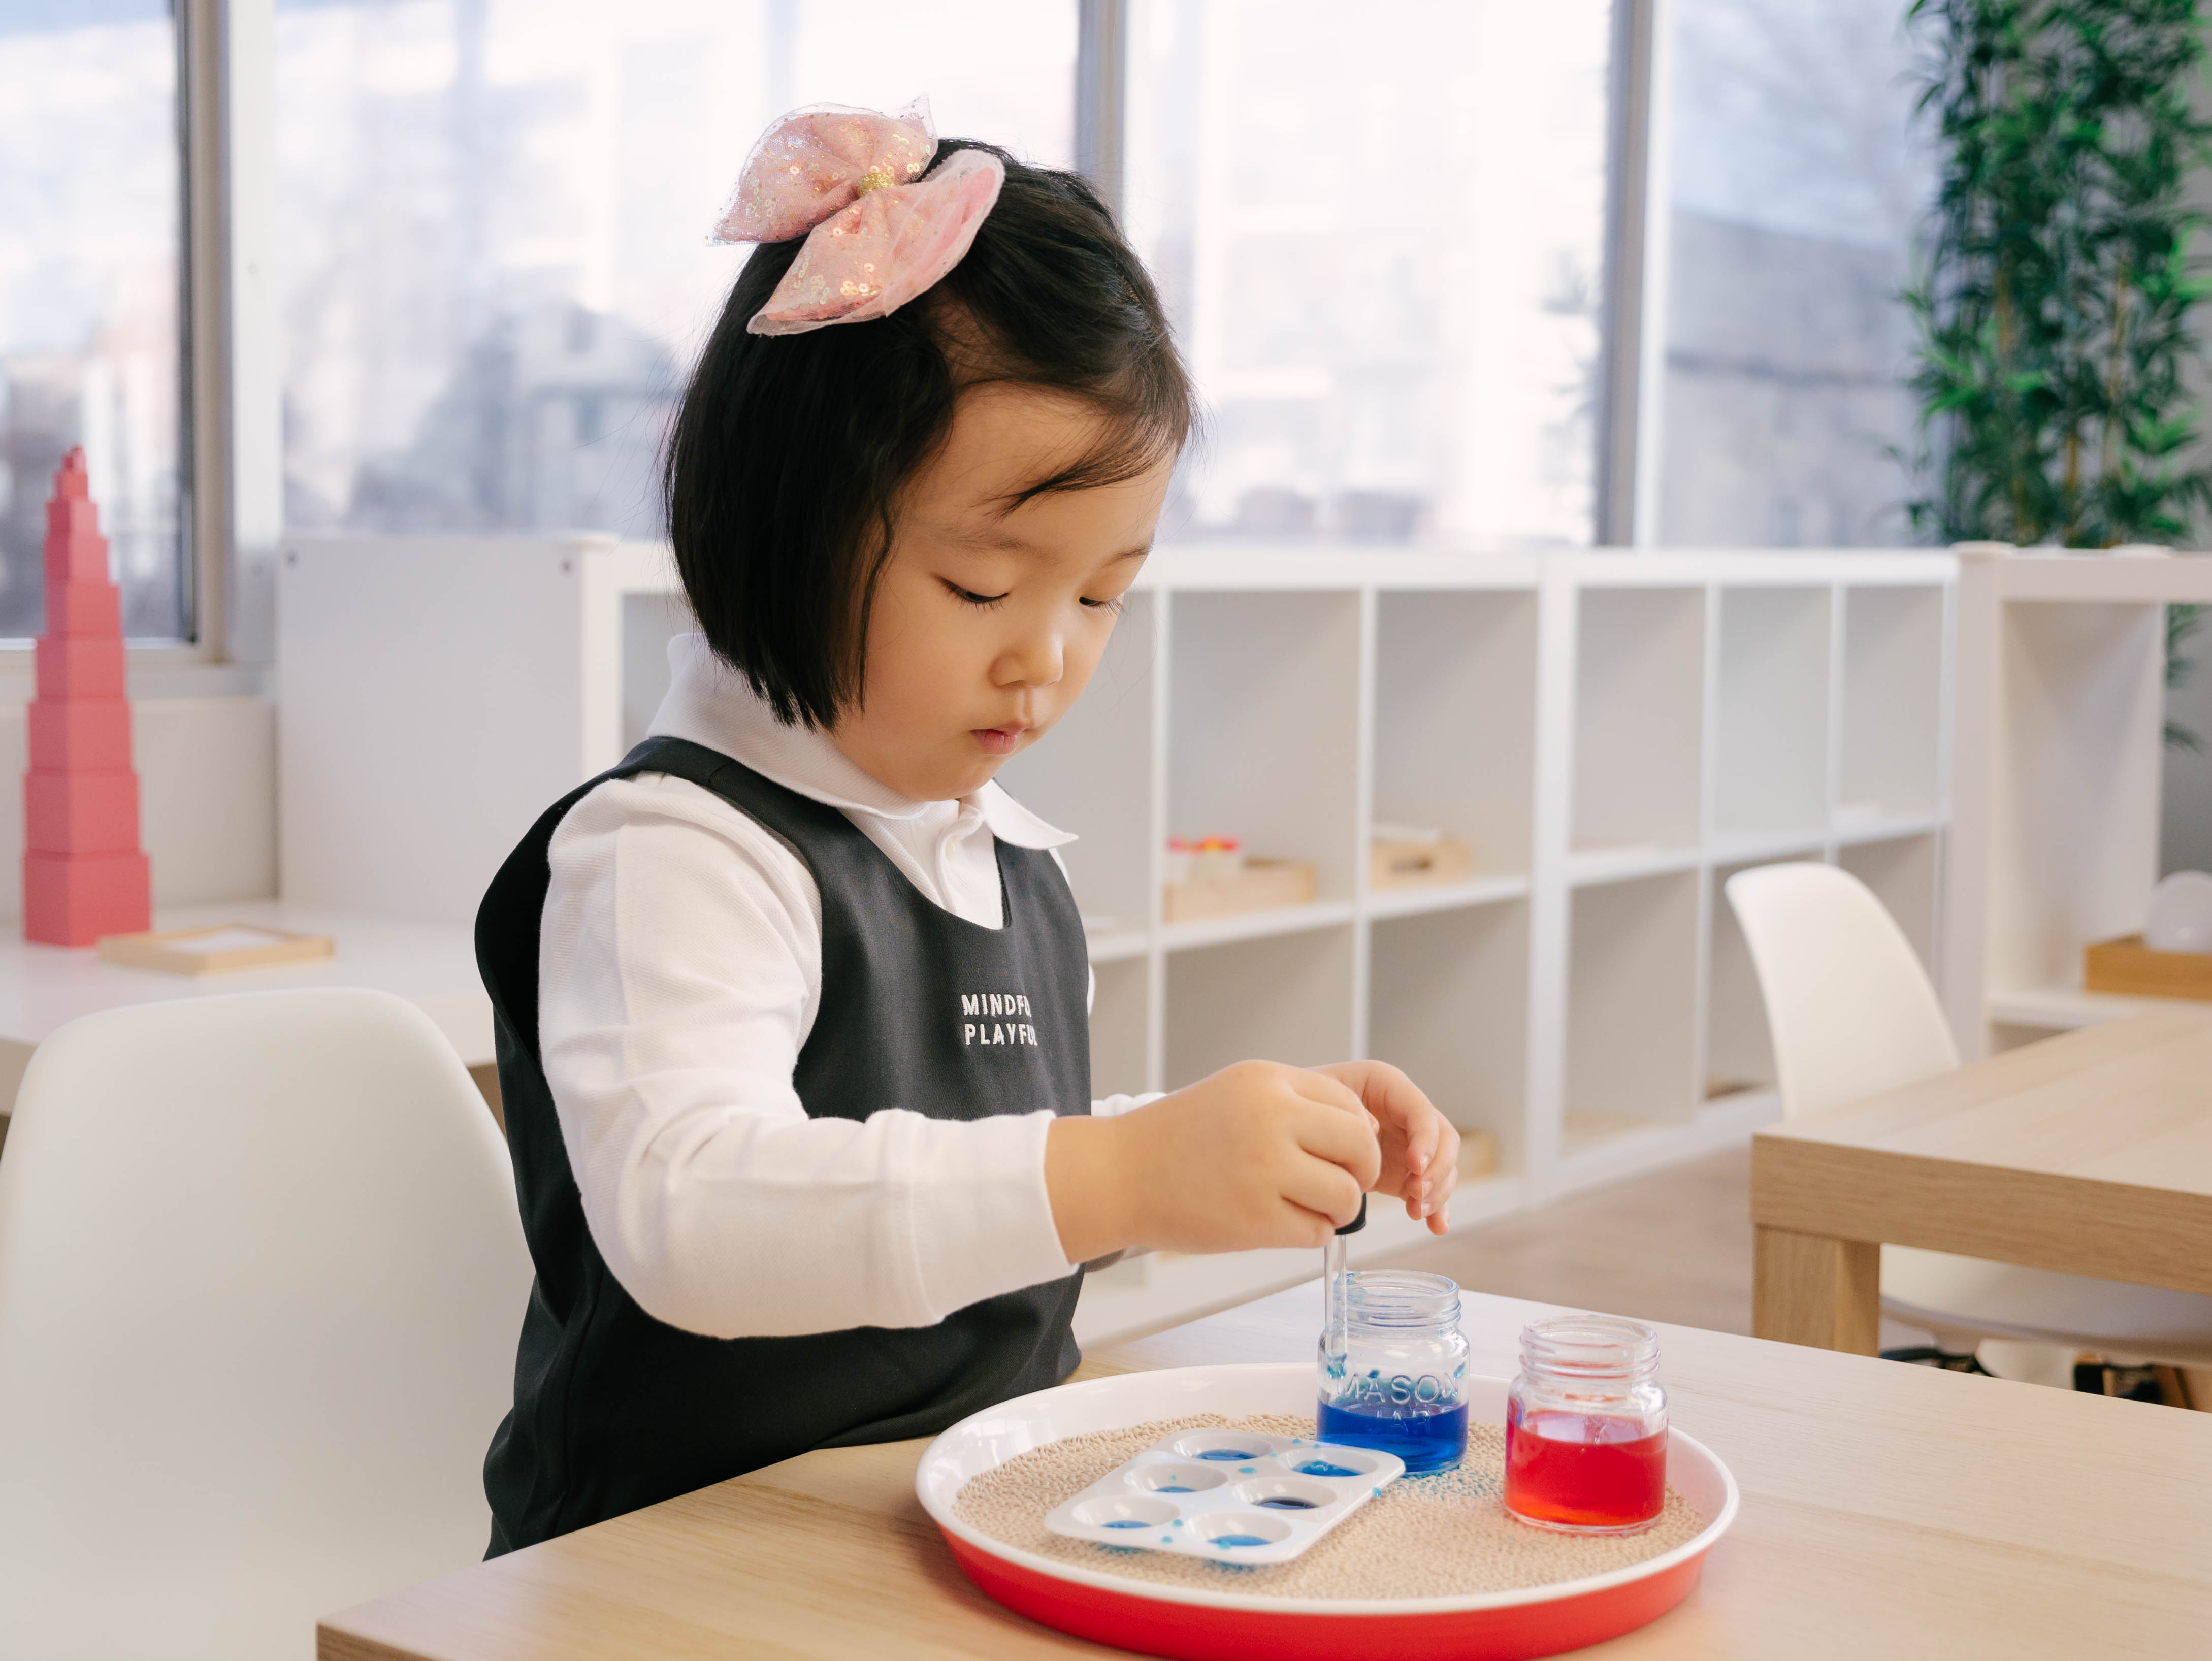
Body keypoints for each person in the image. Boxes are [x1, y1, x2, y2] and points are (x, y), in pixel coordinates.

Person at [475, 101, 1461, 1554]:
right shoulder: (675, 849)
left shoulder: (998, 855)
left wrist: (1210, 1149)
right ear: (790, 524)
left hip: (959, 1511)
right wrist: (1122, 1173)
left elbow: (973, 1169)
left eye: (1102, 595)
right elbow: (695, 1216)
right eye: (984, 589)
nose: (1046, 657)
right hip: (672, 1562)